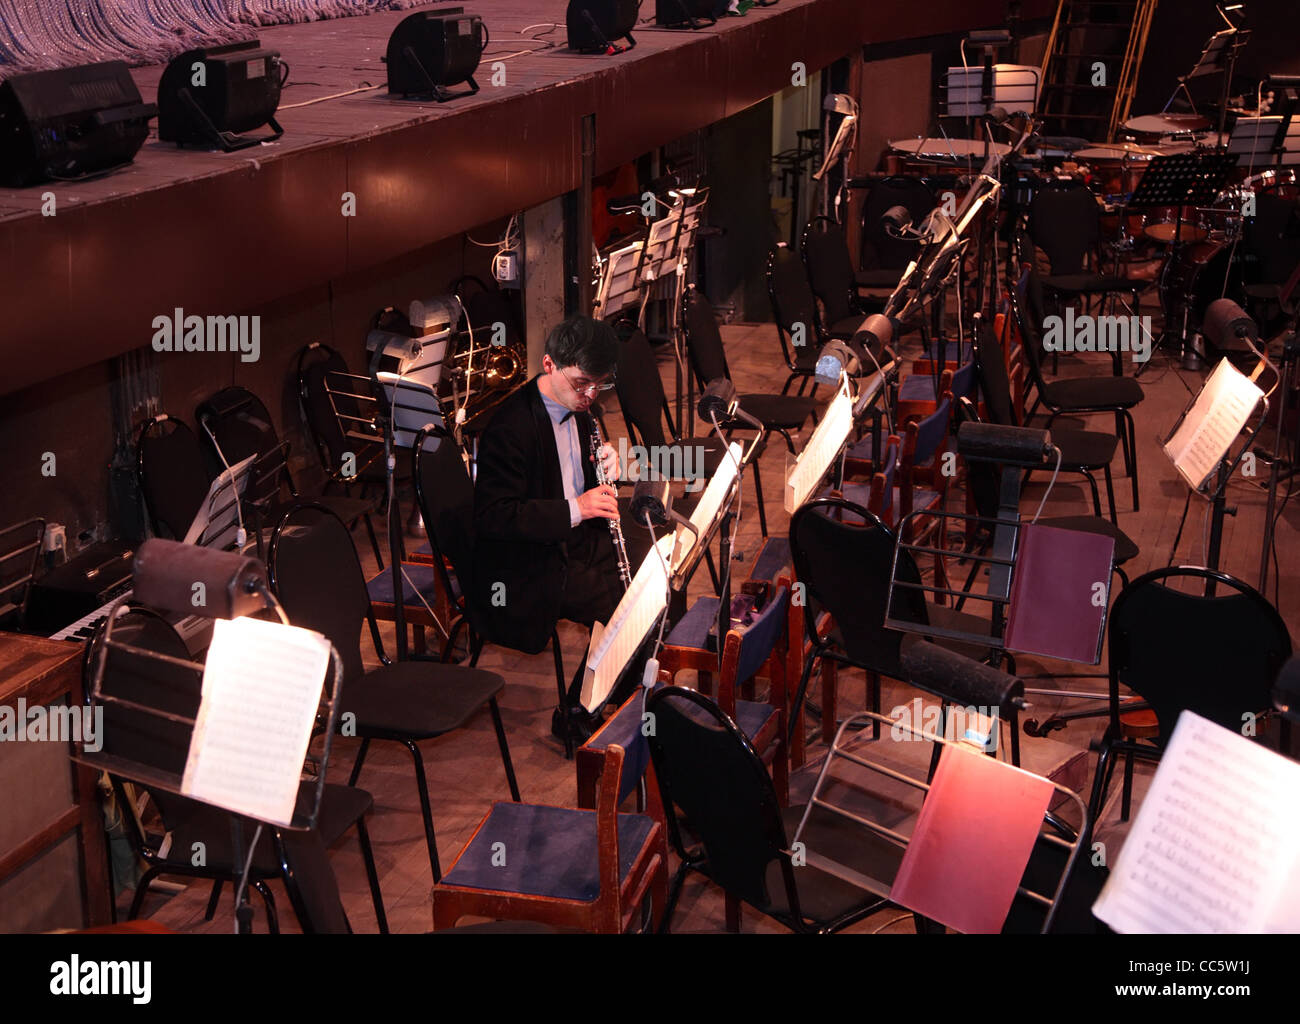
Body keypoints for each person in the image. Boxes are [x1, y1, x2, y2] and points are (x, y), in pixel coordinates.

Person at [471, 316, 626, 744]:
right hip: (529, 561)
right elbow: (495, 516)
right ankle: (578, 712)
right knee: (623, 607)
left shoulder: (582, 408)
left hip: (576, 537)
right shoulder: (509, 428)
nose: (591, 395)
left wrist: (607, 461)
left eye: (599, 384)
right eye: (581, 384)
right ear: (549, 365)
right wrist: (575, 508)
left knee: (657, 569)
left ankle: (627, 701)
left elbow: (577, 470)